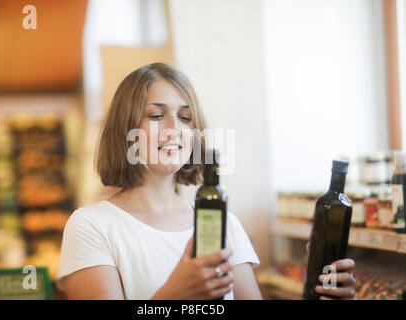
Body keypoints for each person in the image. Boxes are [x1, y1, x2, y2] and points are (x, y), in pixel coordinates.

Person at [56, 63, 356, 300]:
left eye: (186, 118)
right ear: (126, 130)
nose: (175, 128)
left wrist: (324, 297)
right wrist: (175, 294)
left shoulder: (223, 222)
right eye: (156, 115)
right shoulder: (91, 227)